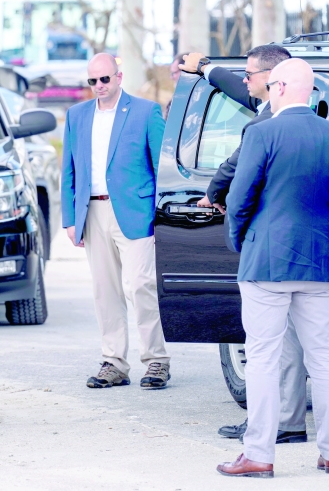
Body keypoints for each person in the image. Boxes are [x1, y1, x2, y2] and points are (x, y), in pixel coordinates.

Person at [180, 45, 308, 445]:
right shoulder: (305, 120)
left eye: (252, 75)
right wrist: (205, 68)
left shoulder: (266, 124)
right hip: (313, 256)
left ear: (275, 81)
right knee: (305, 347)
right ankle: (297, 428)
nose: (248, 83)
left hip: (274, 253)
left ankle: (275, 429)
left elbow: (236, 170)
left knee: (271, 348)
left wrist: (223, 212)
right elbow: (241, 89)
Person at [217, 58, 329, 478]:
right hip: (320, 262)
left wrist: (239, 241)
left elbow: (239, 198)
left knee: (262, 359)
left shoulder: (262, 132)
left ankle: (259, 454)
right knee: (324, 359)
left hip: (267, 261)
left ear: (279, 87)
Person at [61, 53, 169, 389]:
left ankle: (156, 361)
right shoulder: (76, 116)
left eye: (104, 79)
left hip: (135, 213)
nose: (98, 86)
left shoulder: (145, 111)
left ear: (119, 77)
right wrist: (69, 217)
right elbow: (69, 169)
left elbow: (160, 168)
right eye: (92, 81)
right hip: (92, 212)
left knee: (141, 286)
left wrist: (158, 216)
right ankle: (114, 362)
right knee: (103, 290)